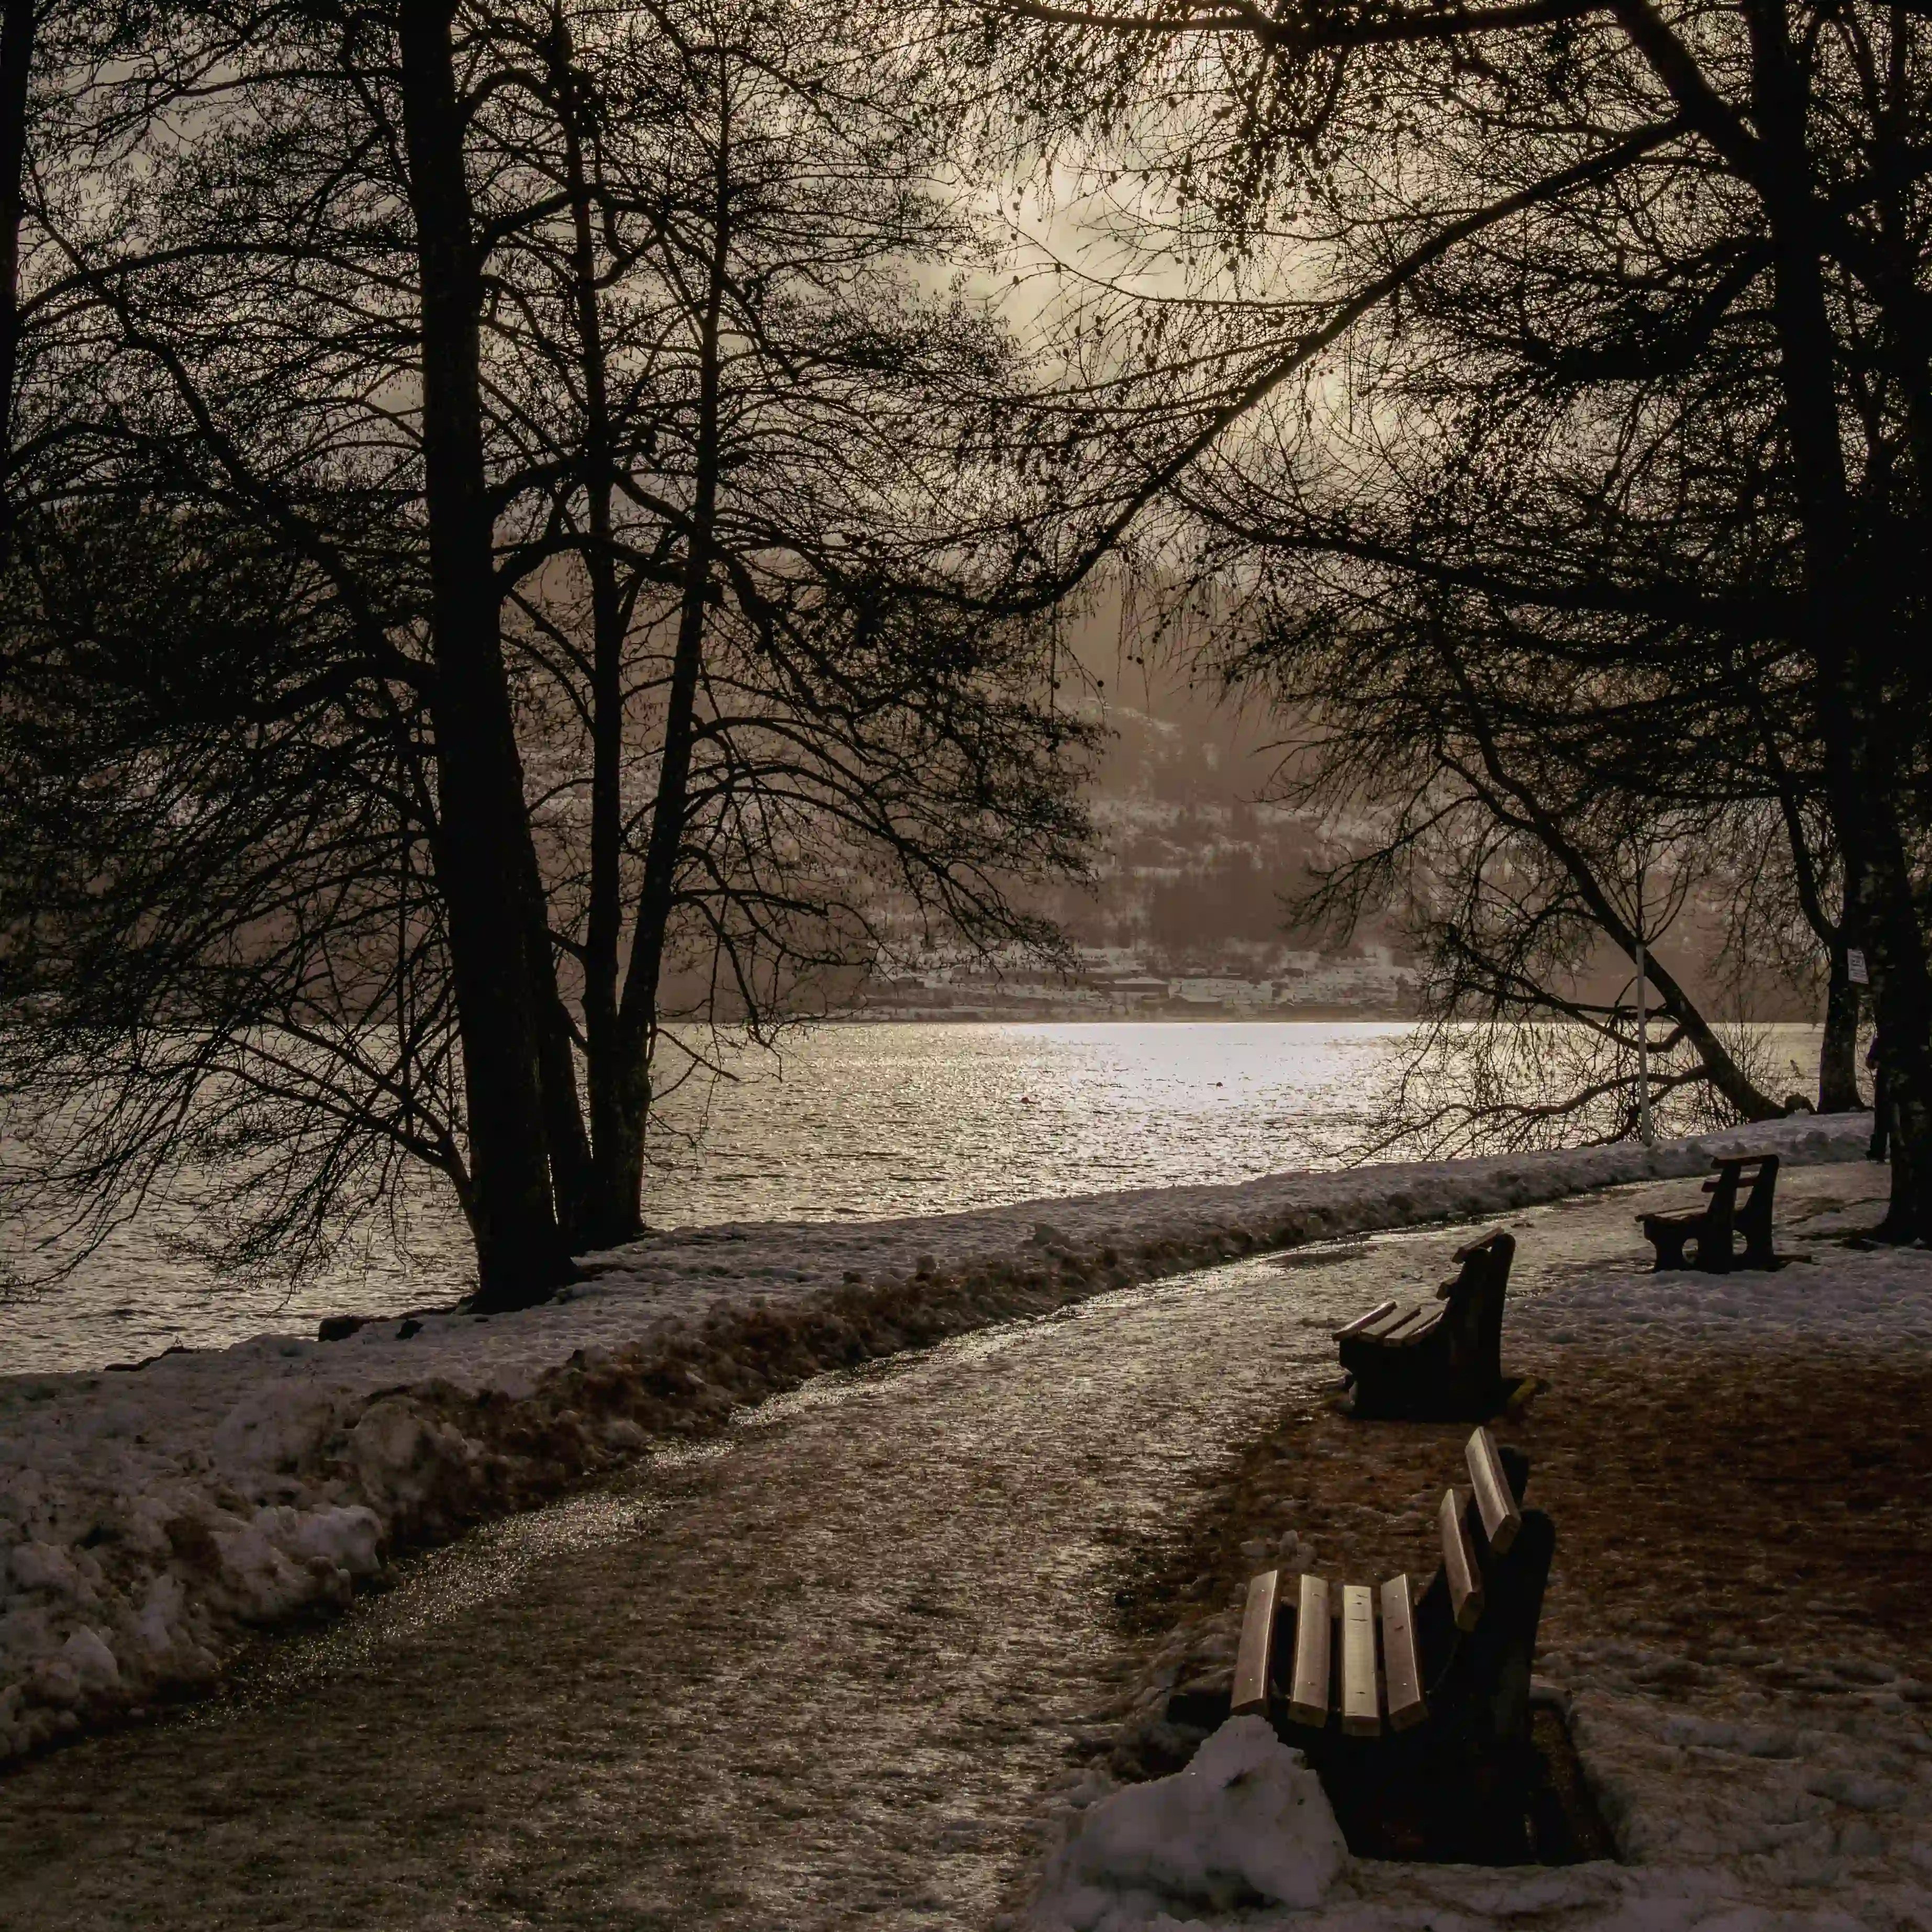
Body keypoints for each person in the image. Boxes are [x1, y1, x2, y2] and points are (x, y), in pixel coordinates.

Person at [1868, 1029, 1891, 1162]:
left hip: (1892, 1082)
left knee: (1886, 1118)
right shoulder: (1882, 1041)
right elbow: (1870, 1062)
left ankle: (1880, 1150)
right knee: (1882, 1118)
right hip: (1885, 1082)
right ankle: (1878, 1150)